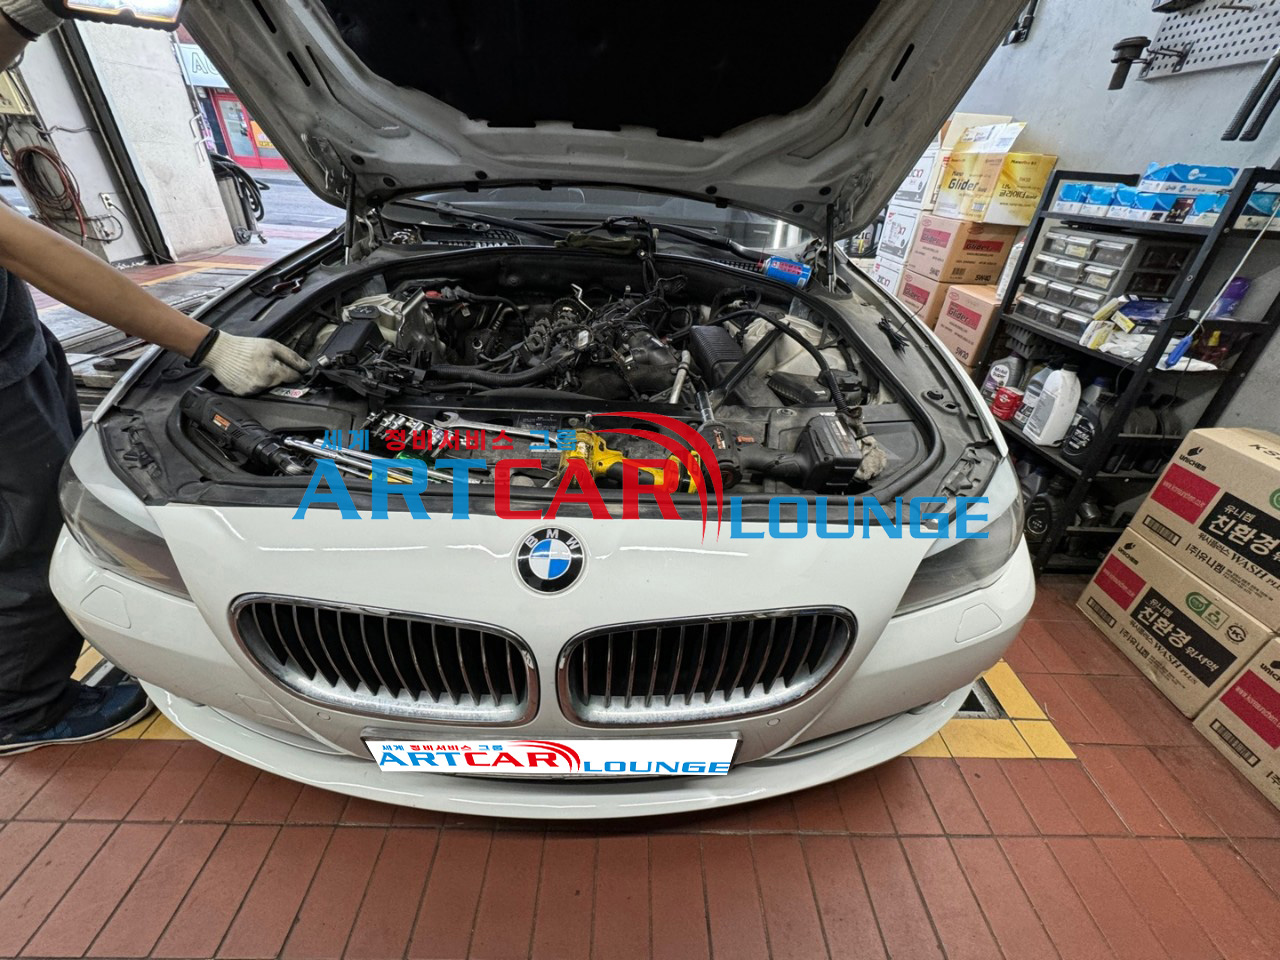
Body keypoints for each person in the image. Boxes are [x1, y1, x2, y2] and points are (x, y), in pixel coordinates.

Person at [0, 1, 308, 753]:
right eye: (14, 37)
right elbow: (25, 246)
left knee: (37, 503)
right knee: (30, 525)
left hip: (15, 348)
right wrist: (208, 346)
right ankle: (24, 708)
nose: (14, 57)